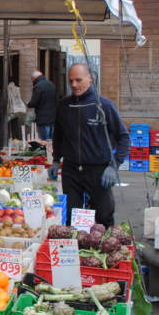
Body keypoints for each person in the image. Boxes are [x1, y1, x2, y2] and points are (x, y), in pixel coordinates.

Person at [53, 63, 130, 228]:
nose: (74, 85)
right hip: (71, 170)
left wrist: (113, 166)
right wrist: (55, 159)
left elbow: (123, 137)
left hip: (98, 170)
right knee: (71, 218)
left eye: (78, 80)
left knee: (104, 216)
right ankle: (76, 250)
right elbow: (58, 135)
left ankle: (106, 248)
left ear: (90, 78)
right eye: (70, 81)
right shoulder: (64, 106)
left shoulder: (104, 106)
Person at [27, 71, 57, 141]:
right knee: (51, 141)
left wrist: (28, 104)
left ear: (34, 78)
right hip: (53, 117)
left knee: (44, 141)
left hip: (43, 119)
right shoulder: (51, 84)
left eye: (32, 79)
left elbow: (34, 102)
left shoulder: (38, 86)